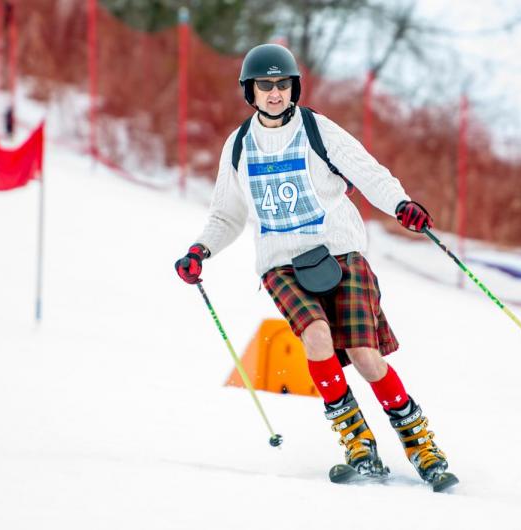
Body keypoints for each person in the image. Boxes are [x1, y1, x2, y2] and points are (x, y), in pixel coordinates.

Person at [175, 43, 452, 484]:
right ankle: (358, 443)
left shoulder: (317, 130)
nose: (274, 93)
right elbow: (227, 214)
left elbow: (368, 172)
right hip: (280, 263)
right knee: (317, 337)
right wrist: (200, 250)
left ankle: (421, 443)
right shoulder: (240, 145)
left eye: (282, 84)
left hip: (339, 250)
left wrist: (401, 205)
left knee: (365, 356)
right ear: (250, 91)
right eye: (264, 85)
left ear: (293, 88)